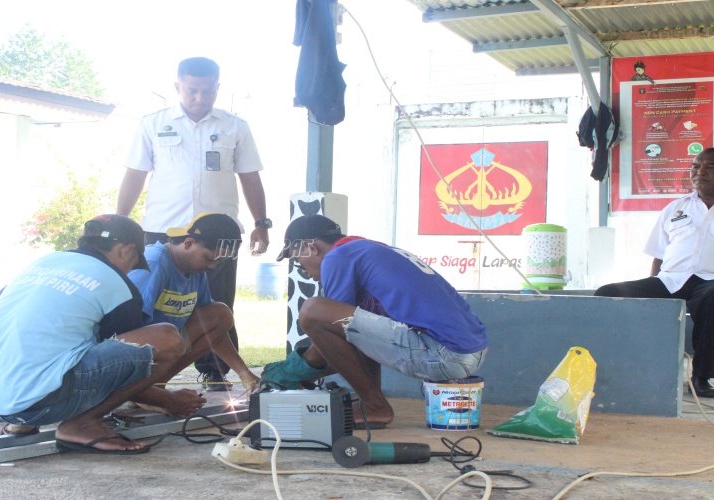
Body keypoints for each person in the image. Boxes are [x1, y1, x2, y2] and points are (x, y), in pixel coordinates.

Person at [0, 215, 205, 454]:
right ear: (126, 250)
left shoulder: (44, 263)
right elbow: (123, 373)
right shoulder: (117, 284)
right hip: (35, 403)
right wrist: (167, 400)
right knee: (167, 338)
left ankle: (22, 422)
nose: (131, 271)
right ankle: (82, 424)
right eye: (133, 263)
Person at [116, 56, 271, 391]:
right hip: (163, 230)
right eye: (192, 90)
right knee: (148, 302)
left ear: (218, 88)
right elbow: (135, 174)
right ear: (178, 87)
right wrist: (121, 220)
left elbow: (250, 177)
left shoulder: (235, 126)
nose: (200, 97)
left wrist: (261, 222)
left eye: (208, 91)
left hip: (220, 234)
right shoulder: (153, 124)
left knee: (218, 304)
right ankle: (138, 375)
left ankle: (215, 372)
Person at [260, 215, 488, 428]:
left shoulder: (338, 257)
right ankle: (370, 401)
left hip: (443, 354)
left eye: (298, 260)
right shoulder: (366, 250)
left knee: (313, 310)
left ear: (311, 247)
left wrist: (293, 370)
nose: (303, 270)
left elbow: (330, 328)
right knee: (352, 321)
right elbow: (354, 334)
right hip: (468, 352)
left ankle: (375, 407)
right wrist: (308, 370)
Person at [595, 148, 714, 398]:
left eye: (709, 167)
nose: (700, 172)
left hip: (709, 282)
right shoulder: (676, 208)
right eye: (695, 166)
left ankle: (701, 377)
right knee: (607, 293)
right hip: (670, 279)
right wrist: (652, 283)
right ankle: (608, 368)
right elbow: (659, 254)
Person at [128, 213, 260, 394]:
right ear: (189, 243)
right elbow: (125, 325)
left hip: (162, 345)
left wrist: (244, 374)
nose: (213, 266)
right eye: (209, 259)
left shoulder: (196, 270)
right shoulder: (154, 262)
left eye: (218, 261)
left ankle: (154, 385)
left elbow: (212, 328)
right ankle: (137, 389)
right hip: (125, 352)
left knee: (220, 314)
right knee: (170, 337)